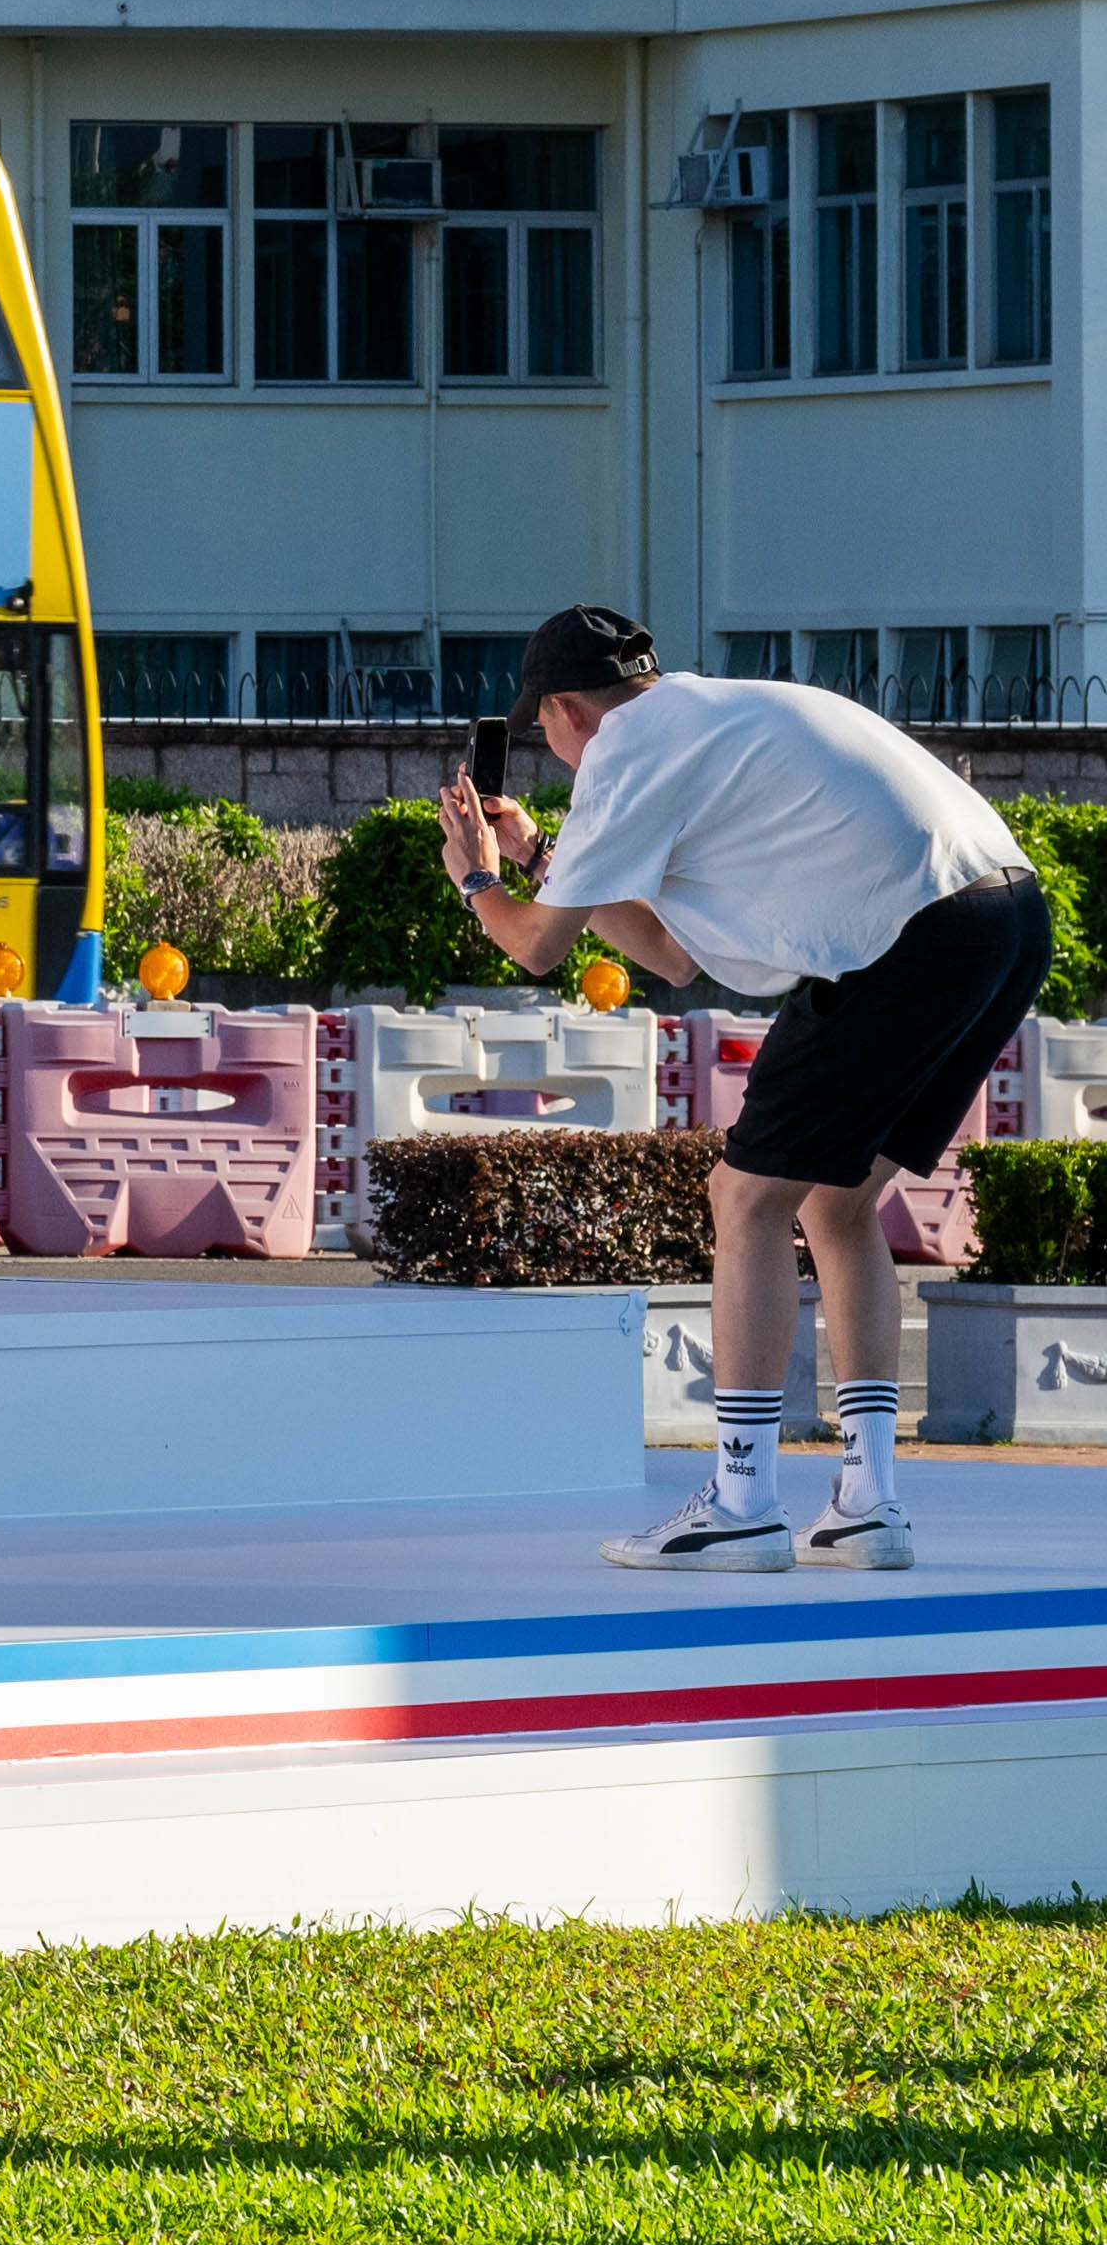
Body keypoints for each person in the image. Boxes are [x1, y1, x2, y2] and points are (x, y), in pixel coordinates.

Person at [447, 604, 1045, 1574]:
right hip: (1005, 917)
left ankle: (740, 1498)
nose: (549, 749)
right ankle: (866, 1499)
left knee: (744, 1195)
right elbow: (674, 955)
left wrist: (476, 878)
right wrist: (535, 857)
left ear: (561, 709)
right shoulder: (704, 716)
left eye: (542, 729)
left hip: (904, 936)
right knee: (837, 1202)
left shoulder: (623, 752)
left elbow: (532, 945)